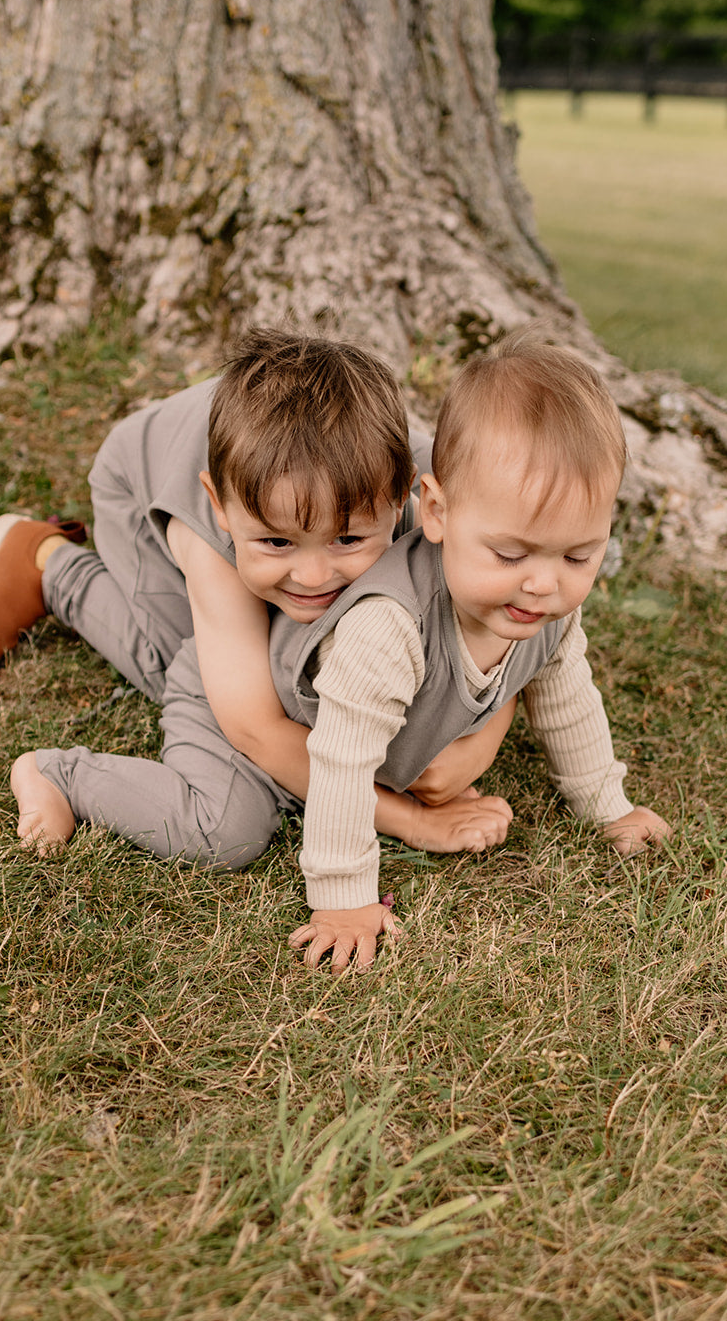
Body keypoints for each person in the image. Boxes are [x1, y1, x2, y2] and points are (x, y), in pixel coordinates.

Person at [0, 328, 512, 856]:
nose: (313, 576)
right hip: (141, 489)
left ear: (400, 495)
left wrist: (476, 747)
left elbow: (527, 595)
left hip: (276, 475)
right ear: (222, 508)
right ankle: (49, 564)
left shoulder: (421, 487)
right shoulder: (216, 532)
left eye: (347, 538)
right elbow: (255, 728)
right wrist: (409, 817)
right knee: (186, 664)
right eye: (277, 543)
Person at [285, 328, 672, 972]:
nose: (545, 583)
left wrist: (608, 807)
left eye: (579, 554)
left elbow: (566, 695)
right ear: (435, 511)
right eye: (511, 553)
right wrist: (343, 897)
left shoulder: (544, 606)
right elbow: (342, 761)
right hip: (300, 729)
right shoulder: (388, 628)